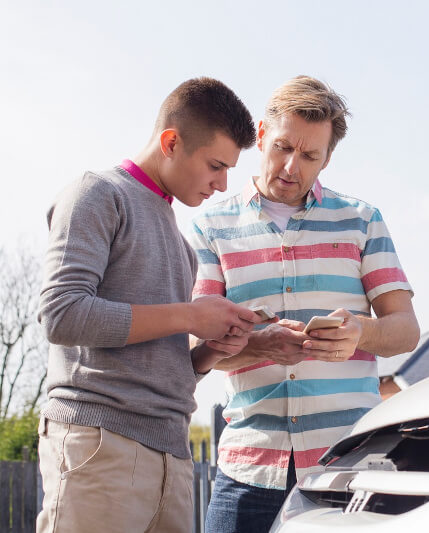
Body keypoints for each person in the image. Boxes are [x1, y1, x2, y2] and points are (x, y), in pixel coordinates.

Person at [191, 75, 420, 531]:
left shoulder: (362, 220)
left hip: (346, 467)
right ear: (260, 136)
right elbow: (201, 347)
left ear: (328, 157)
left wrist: (361, 329)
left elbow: (405, 331)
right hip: (248, 467)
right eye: (282, 147)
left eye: (310, 155)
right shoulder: (210, 226)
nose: (292, 166)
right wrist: (261, 346)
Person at [36, 77, 264, 533]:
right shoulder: (97, 193)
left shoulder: (181, 245)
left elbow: (160, 361)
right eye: (216, 166)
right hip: (101, 448)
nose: (222, 184)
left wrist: (210, 352)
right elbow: (62, 313)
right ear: (171, 141)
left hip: (173, 457)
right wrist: (192, 315)